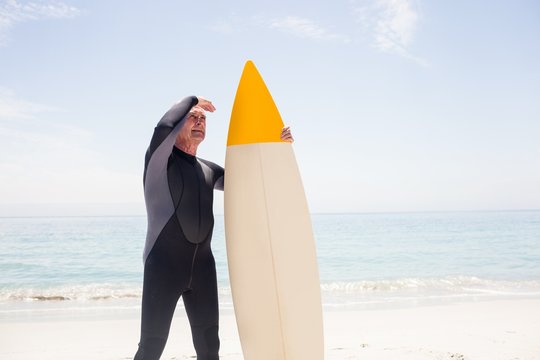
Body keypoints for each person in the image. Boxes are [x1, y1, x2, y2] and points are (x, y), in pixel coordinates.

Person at [134, 95, 293, 360]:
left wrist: (277, 146)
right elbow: (162, 128)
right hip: (163, 268)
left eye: (203, 119)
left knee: (209, 348)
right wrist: (193, 99)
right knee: (151, 347)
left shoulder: (208, 169)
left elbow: (250, 178)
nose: (199, 122)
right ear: (178, 124)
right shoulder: (160, 163)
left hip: (203, 271)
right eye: (192, 118)